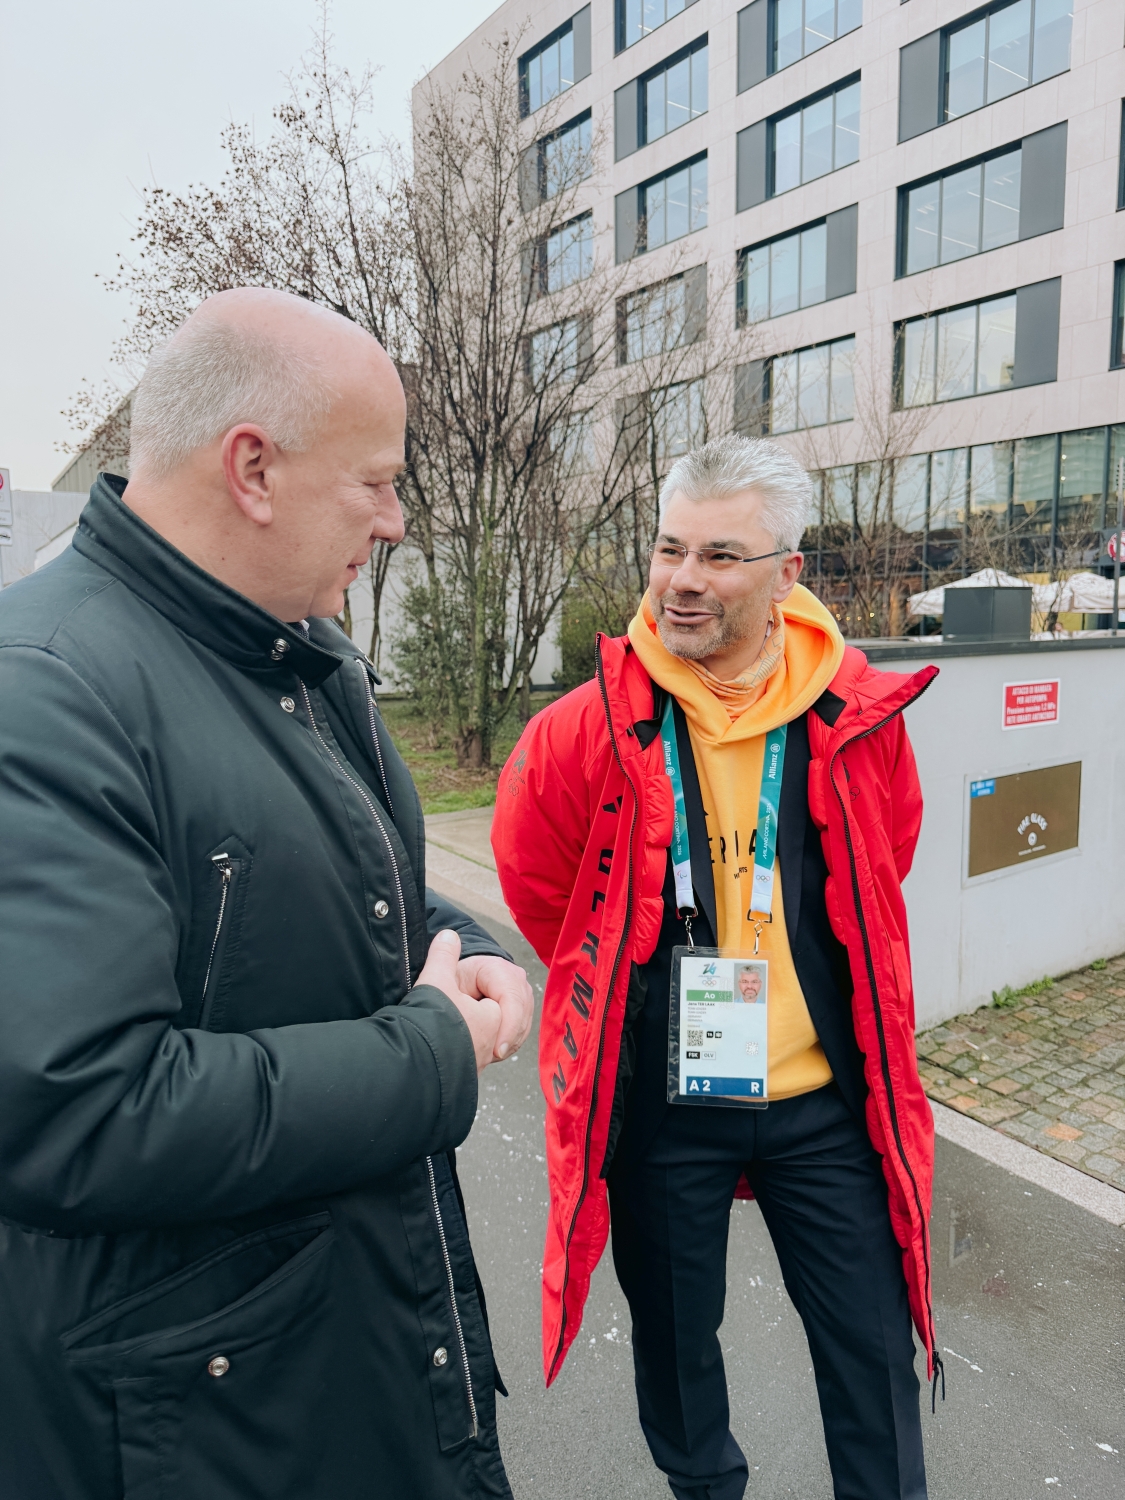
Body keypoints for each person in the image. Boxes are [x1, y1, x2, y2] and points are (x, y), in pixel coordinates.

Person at [0, 289, 532, 1500]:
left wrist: (462, 936)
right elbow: (77, 1115)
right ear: (254, 469)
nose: (398, 523)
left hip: (359, 1367)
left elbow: (355, 880)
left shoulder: (300, 653)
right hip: (199, 1432)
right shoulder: (42, 696)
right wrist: (429, 1055)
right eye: (378, 483)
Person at [492, 435, 940, 1500]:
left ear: (789, 573)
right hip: (664, 1109)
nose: (684, 580)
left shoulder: (854, 716)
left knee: (873, 1354)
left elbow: (886, 863)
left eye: (721, 556)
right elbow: (541, 889)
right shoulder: (585, 728)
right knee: (680, 1358)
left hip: (826, 1106)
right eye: (669, 548)